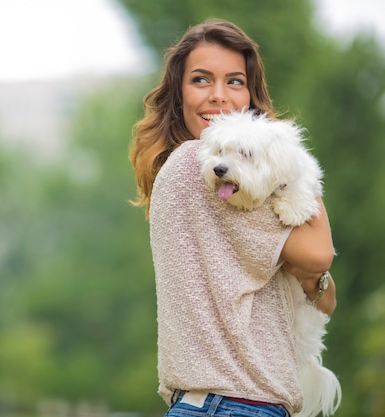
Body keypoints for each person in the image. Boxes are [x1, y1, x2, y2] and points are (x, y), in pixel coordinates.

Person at [129, 19, 337, 417]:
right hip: (232, 404)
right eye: (202, 80)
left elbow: (326, 298)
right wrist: (297, 171)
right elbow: (318, 257)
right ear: (179, 94)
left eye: (235, 82)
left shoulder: (216, 174)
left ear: (250, 95)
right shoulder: (197, 166)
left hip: (225, 403)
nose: (219, 96)